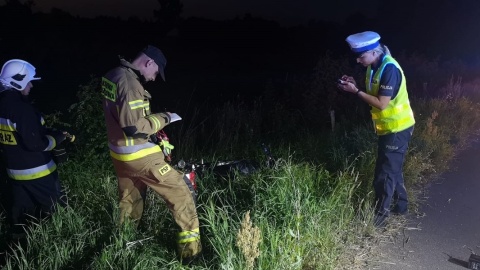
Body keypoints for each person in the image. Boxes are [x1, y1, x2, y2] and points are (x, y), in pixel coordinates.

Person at [100, 45, 201, 262]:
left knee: (129, 201)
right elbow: (133, 127)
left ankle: (123, 246)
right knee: (181, 193)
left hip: (120, 156)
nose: (154, 79)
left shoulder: (113, 75)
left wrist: (153, 134)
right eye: (155, 73)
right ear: (149, 63)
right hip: (139, 156)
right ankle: (191, 255)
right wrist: (164, 117)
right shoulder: (130, 83)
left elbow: (122, 117)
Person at [337, 31, 415, 227]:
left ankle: (378, 218)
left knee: (385, 173)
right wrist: (355, 85)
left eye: (361, 56)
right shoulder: (373, 66)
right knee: (392, 169)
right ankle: (401, 206)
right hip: (388, 128)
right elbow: (373, 92)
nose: (358, 60)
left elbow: (381, 103)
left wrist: (356, 92)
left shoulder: (390, 70)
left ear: (374, 52)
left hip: (397, 128)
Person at [0, 59, 68, 239]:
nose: (31, 85)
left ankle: (18, 250)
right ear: (17, 81)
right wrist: (57, 139)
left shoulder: (3, 107)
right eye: (28, 81)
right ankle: (60, 246)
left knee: (22, 215)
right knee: (58, 213)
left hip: (15, 174)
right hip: (39, 174)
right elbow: (35, 144)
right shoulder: (22, 109)